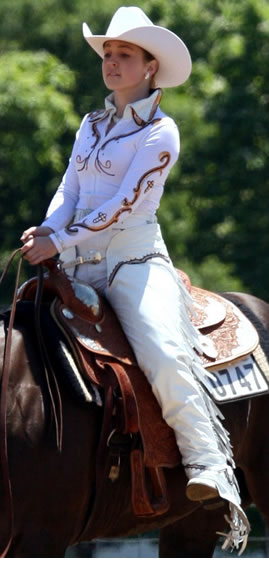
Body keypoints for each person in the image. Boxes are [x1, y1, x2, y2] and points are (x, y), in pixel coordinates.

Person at [21, 6, 249, 551]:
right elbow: (69, 190)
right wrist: (48, 228)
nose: (112, 62)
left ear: (151, 67)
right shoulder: (92, 125)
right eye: (107, 53)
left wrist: (62, 239)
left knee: (165, 353)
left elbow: (125, 206)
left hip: (132, 265)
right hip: (73, 260)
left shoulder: (162, 133)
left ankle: (209, 465)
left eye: (124, 54)